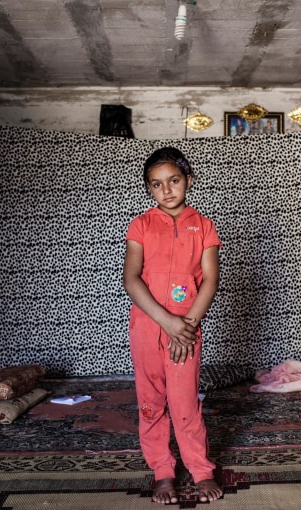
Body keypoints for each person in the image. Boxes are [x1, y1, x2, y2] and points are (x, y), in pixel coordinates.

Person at [122, 147, 224, 505]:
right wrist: (167, 322)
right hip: (148, 327)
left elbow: (210, 280)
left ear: (188, 181)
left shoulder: (204, 225)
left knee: (184, 402)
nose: (166, 190)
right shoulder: (141, 225)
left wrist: (188, 326)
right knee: (151, 401)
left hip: (187, 330)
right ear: (150, 189)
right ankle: (163, 472)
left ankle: (200, 470)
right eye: (156, 184)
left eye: (174, 181)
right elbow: (131, 279)